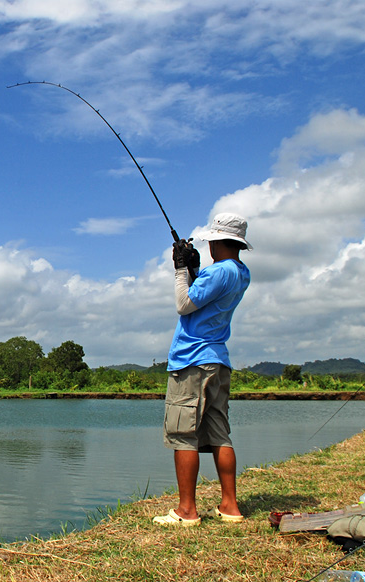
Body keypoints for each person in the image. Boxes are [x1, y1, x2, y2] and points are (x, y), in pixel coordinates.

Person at [153, 213, 251, 527]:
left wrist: (181, 269)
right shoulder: (240, 272)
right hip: (218, 360)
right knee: (220, 432)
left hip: (192, 359)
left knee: (184, 435)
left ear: (217, 241)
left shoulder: (219, 271)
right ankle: (230, 506)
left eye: (210, 241)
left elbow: (184, 304)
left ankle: (186, 510)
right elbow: (204, 297)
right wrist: (194, 268)